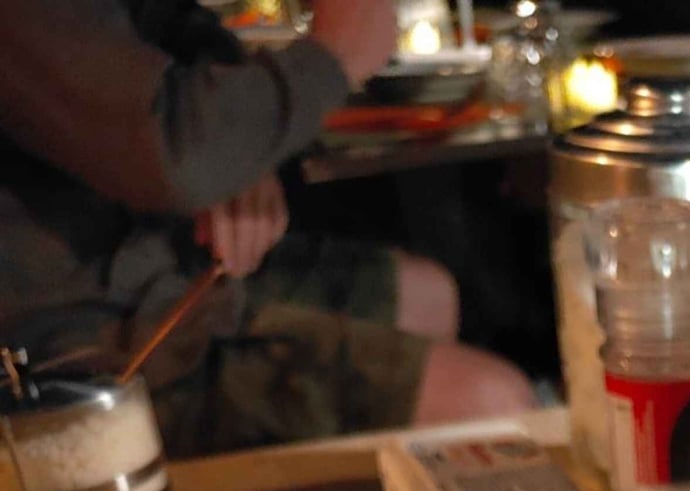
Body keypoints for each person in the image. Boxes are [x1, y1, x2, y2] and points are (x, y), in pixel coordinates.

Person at [0, 0, 537, 458]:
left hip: (160, 267)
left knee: (428, 294)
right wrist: (336, 53)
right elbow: (171, 153)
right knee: (493, 404)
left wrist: (239, 147)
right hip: (79, 358)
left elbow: (173, 24)